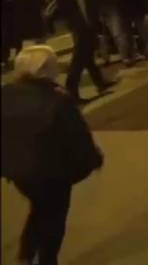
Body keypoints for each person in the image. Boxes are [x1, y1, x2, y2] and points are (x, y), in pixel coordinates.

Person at [1, 46, 104, 265]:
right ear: (46, 69)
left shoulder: (6, 94)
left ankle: (26, 254)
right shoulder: (58, 100)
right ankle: (47, 260)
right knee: (54, 218)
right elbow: (78, 137)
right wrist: (93, 159)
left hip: (19, 171)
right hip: (53, 172)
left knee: (39, 207)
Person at [55, 0, 114, 101]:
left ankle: (99, 82)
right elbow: (66, 6)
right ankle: (72, 90)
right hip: (81, 25)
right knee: (80, 58)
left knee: (87, 56)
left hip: (89, 22)